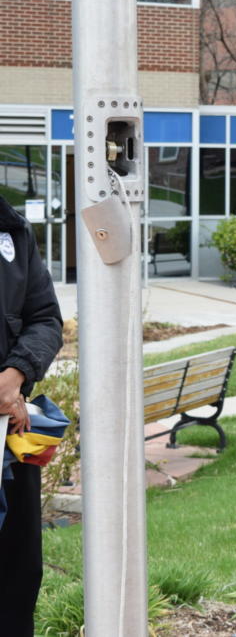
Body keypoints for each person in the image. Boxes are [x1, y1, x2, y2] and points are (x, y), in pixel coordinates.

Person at [0, 195, 63, 636]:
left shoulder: (13, 230)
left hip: (9, 430)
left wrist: (16, 372)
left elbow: (44, 317)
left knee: (17, 573)